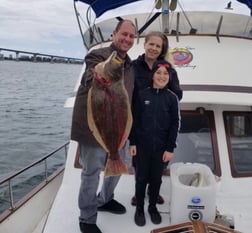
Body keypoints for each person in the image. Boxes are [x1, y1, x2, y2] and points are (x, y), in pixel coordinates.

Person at [71, 19, 136, 233]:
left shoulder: (131, 66)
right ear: (114, 35)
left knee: (118, 167)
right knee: (91, 173)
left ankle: (106, 199)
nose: (127, 39)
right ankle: (87, 218)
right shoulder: (97, 56)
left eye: (131, 36)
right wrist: (97, 73)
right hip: (95, 129)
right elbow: (90, 77)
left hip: (118, 129)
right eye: (123, 34)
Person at [130, 31, 183, 206]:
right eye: (151, 44)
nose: (153, 48)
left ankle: (153, 191)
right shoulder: (133, 66)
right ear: (144, 44)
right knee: (139, 161)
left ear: (162, 49)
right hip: (140, 119)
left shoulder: (168, 69)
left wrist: (162, 92)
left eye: (158, 46)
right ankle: (140, 192)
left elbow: (177, 94)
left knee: (159, 162)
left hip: (161, 123)